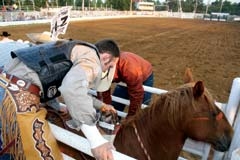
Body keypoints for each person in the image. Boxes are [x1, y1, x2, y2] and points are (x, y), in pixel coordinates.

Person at [0, 37, 120, 159]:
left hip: (6, 85)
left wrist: (57, 106)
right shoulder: (92, 58)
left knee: (6, 143)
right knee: (43, 153)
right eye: (109, 66)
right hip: (16, 94)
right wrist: (96, 141)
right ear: (105, 57)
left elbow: (47, 79)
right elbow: (72, 89)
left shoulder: (72, 48)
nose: (107, 70)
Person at [98, 51, 154, 119]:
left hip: (144, 76)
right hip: (125, 74)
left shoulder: (129, 69)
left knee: (140, 112)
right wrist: (107, 107)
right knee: (115, 105)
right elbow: (104, 88)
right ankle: (112, 123)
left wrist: (130, 118)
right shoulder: (103, 68)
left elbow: (137, 94)